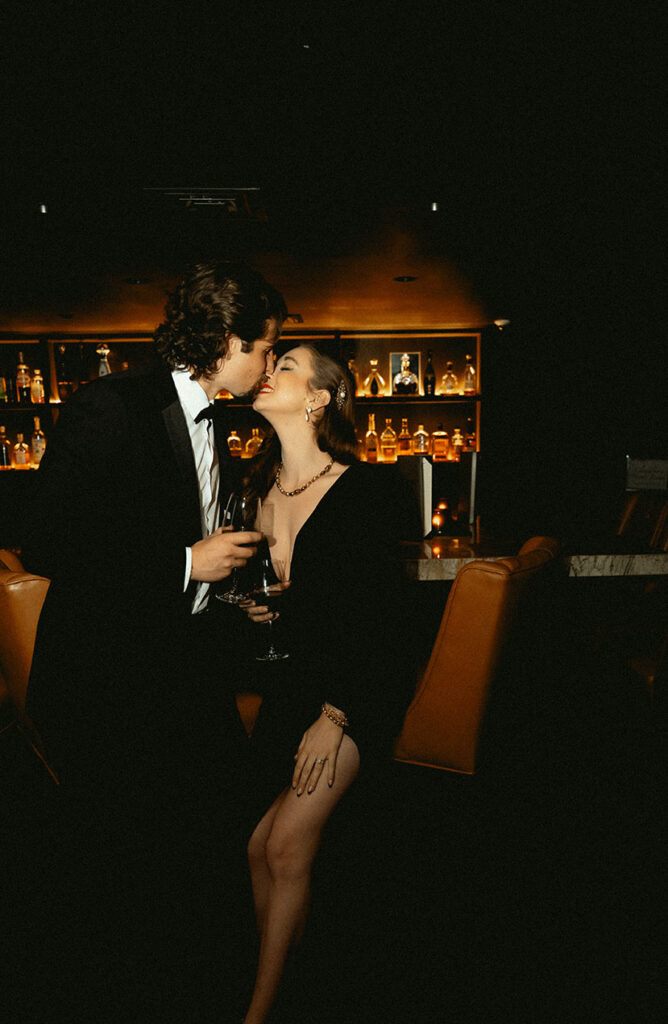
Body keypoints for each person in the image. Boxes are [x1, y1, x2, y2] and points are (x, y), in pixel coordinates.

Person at [20, 260, 286, 1016]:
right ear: (229, 339)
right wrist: (185, 563)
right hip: (109, 683)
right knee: (128, 871)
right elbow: (45, 539)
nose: (267, 368)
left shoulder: (226, 419)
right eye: (265, 349)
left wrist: (228, 593)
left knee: (213, 837)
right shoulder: (113, 405)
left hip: (181, 666)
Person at [237, 344, 419, 1024]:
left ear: (319, 398)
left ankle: (260, 1010)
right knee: (257, 845)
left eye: (285, 366)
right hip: (291, 684)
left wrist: (337, 716)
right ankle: (290, 975)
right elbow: (294, 604)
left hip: (355, 689)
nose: (269, 371)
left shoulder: (368, 491)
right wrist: (260, 606)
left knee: (283, 845)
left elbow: (384, 626)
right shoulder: (253, 486)